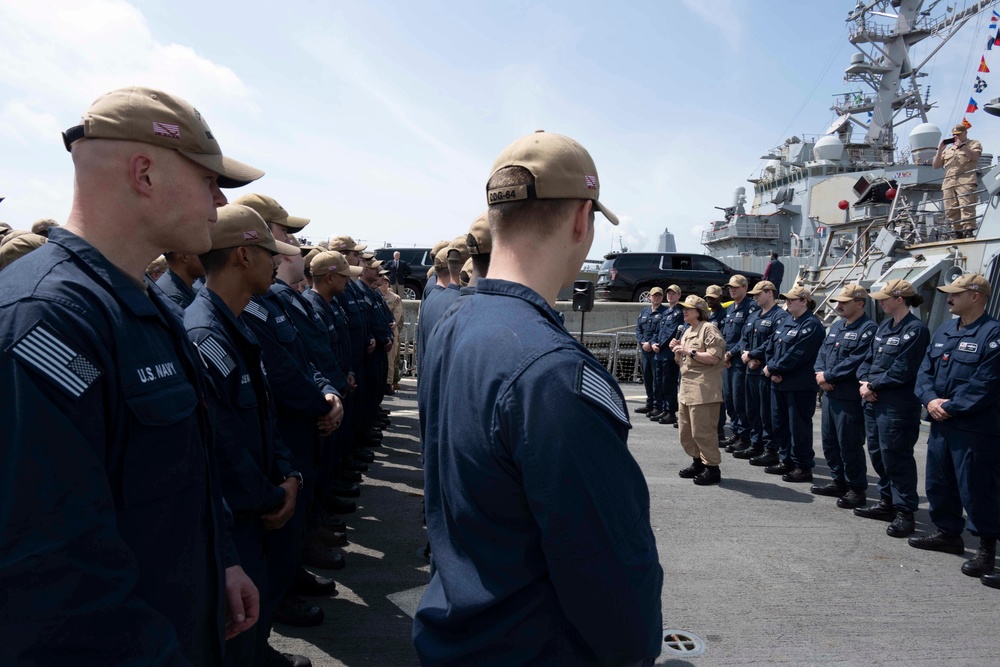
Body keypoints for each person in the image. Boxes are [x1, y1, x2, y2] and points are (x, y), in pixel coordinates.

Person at [0, 85, 261, 665]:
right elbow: (52, 577)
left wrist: (223, 559)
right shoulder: (45, 319)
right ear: (144, 173)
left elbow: (181, 469)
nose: (219, 202)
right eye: (207, 180)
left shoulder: (142, 304)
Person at [415, 130, 663, 665]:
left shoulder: (453, 323)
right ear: (581, 219)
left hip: (459, 630)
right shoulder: (553, 372)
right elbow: (608, 566)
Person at [185, 204, 306, 667]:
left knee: (255, 626)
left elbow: (265, 417)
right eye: (267, 252)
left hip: (258, 510)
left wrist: (287, 474)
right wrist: (273, 494)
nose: (276, 261)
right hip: (238, 520)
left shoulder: (233, 324)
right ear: (242, 256)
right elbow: (221, 445)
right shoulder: (203, 334)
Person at [911, 273, 1000, 587]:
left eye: (954, 294)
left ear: (975, 296)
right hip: (941, 423)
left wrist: (947, 407)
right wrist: (930, 399)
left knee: (976, 489)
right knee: (939, 480)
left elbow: (985, 385)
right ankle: (948, 533)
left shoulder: (993, 335)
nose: (948, 298)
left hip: (974, 428)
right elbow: (925, 371)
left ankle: (987, 548)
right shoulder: (945, 329)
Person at [855, 279, 929, 538]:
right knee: (877, 454)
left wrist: (873, 384)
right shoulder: (886, 326)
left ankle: (905, 512)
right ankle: (887, 502)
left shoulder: (915, 330)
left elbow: (903, 369)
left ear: (900, 298)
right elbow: (869, 358)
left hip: (896, 406)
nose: (881, 301)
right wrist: (865, 381)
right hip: (874, 401)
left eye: (885, 297)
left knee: (896, 457)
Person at [812, 284, 877, 508]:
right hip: (829, 394)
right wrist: (820, 375)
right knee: (830, 442)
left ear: (859, 303)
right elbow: (822, 352)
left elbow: (857, 359)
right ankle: (838, 480)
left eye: (844, 302)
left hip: (848, 396)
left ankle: (856, 488)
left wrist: (829, 376)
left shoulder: (868, 329)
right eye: (838, 302)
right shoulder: (838, 326)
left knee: (849, 443)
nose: (838, 306)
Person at [763, 285, 825, 483]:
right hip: (778, 382)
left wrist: (774, 369)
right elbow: (771, 345)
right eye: (787, 299)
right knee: (779, 423)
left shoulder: (812, 325)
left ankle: (802, 466)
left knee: (798, 426)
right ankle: (786, 459)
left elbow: (798, 354)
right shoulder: (787, 320)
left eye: (792, 299)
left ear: (804, 301)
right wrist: (772, 369)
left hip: (799, 385)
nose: (788, 302)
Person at [669, 295, 726, 485]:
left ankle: (712, 468)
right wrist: (677, 349)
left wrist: (689, 351)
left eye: (689, 308)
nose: (684, 311)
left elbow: (714, 358)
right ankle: (697, 462)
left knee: (703, 431)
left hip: (704, 389)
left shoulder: (708, 329)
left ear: (699, 311)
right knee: (686, 431)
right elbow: (682, 361)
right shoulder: (687, 331)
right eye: (684, 308)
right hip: (686, 388)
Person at [738, 280, 789, 464]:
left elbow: (773, 342)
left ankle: (771, 448)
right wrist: (747, 355)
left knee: (767, 413)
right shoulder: (754, 316)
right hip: (750, 370)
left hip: (765, 371)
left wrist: (753, 354)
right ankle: (756, 443)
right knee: (752, 410)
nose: (755, 297)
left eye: (758, 294)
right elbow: (744, 337)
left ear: (769, 292)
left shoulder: (780, 316)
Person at [721, 275, 759, 453]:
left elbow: (745, 337)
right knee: (729, 399)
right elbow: (725, 334)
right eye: (730, 287)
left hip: (738, 361)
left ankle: (745, 435)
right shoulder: (730, 308)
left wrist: (730, 354)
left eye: (736, 287)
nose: (732, 290)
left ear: (745, 287)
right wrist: (724, 354)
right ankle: (736, 432)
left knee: (739, 399)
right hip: (727, 361)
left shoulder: (751, 307)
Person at [933, 123, 983, 238]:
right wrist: (940, 150)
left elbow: (974, 156)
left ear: (965, 133)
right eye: (954, 135)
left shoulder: (974, 143)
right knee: (950, 209)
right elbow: (936, 165)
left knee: (966, 206)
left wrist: (962, 146)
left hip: (966, 181)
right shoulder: (949, 150)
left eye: (959, 134)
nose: (957, 137)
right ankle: (957, 232)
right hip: (949, 183)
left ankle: (968, 230)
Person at [651, 284, 684, 424]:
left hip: (669, 354)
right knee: (660, 382)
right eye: (669, 293)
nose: (670, 295)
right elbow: (657, 331)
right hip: (659, 353)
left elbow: (673, 333)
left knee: (668, 383)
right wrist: (653, 342)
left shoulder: (679, 312)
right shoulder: (665, 312)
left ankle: (671, 411)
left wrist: (661, 345)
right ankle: (664, 409)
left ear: (678, 296)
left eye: (673, 293)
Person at [635, 286, 667, 414]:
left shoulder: (665, 312)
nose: (656, 297)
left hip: (655, 351)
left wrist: (650, 343)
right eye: (654, 295)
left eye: (659, 295)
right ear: (649, 297)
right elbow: (638, 329)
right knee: (647, 378)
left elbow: (661, 331)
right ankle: (649, 403)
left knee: (656, 379)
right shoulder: (644, 311)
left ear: (662, 298)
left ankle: (657, 406)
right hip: (644, 350)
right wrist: (642, 342)